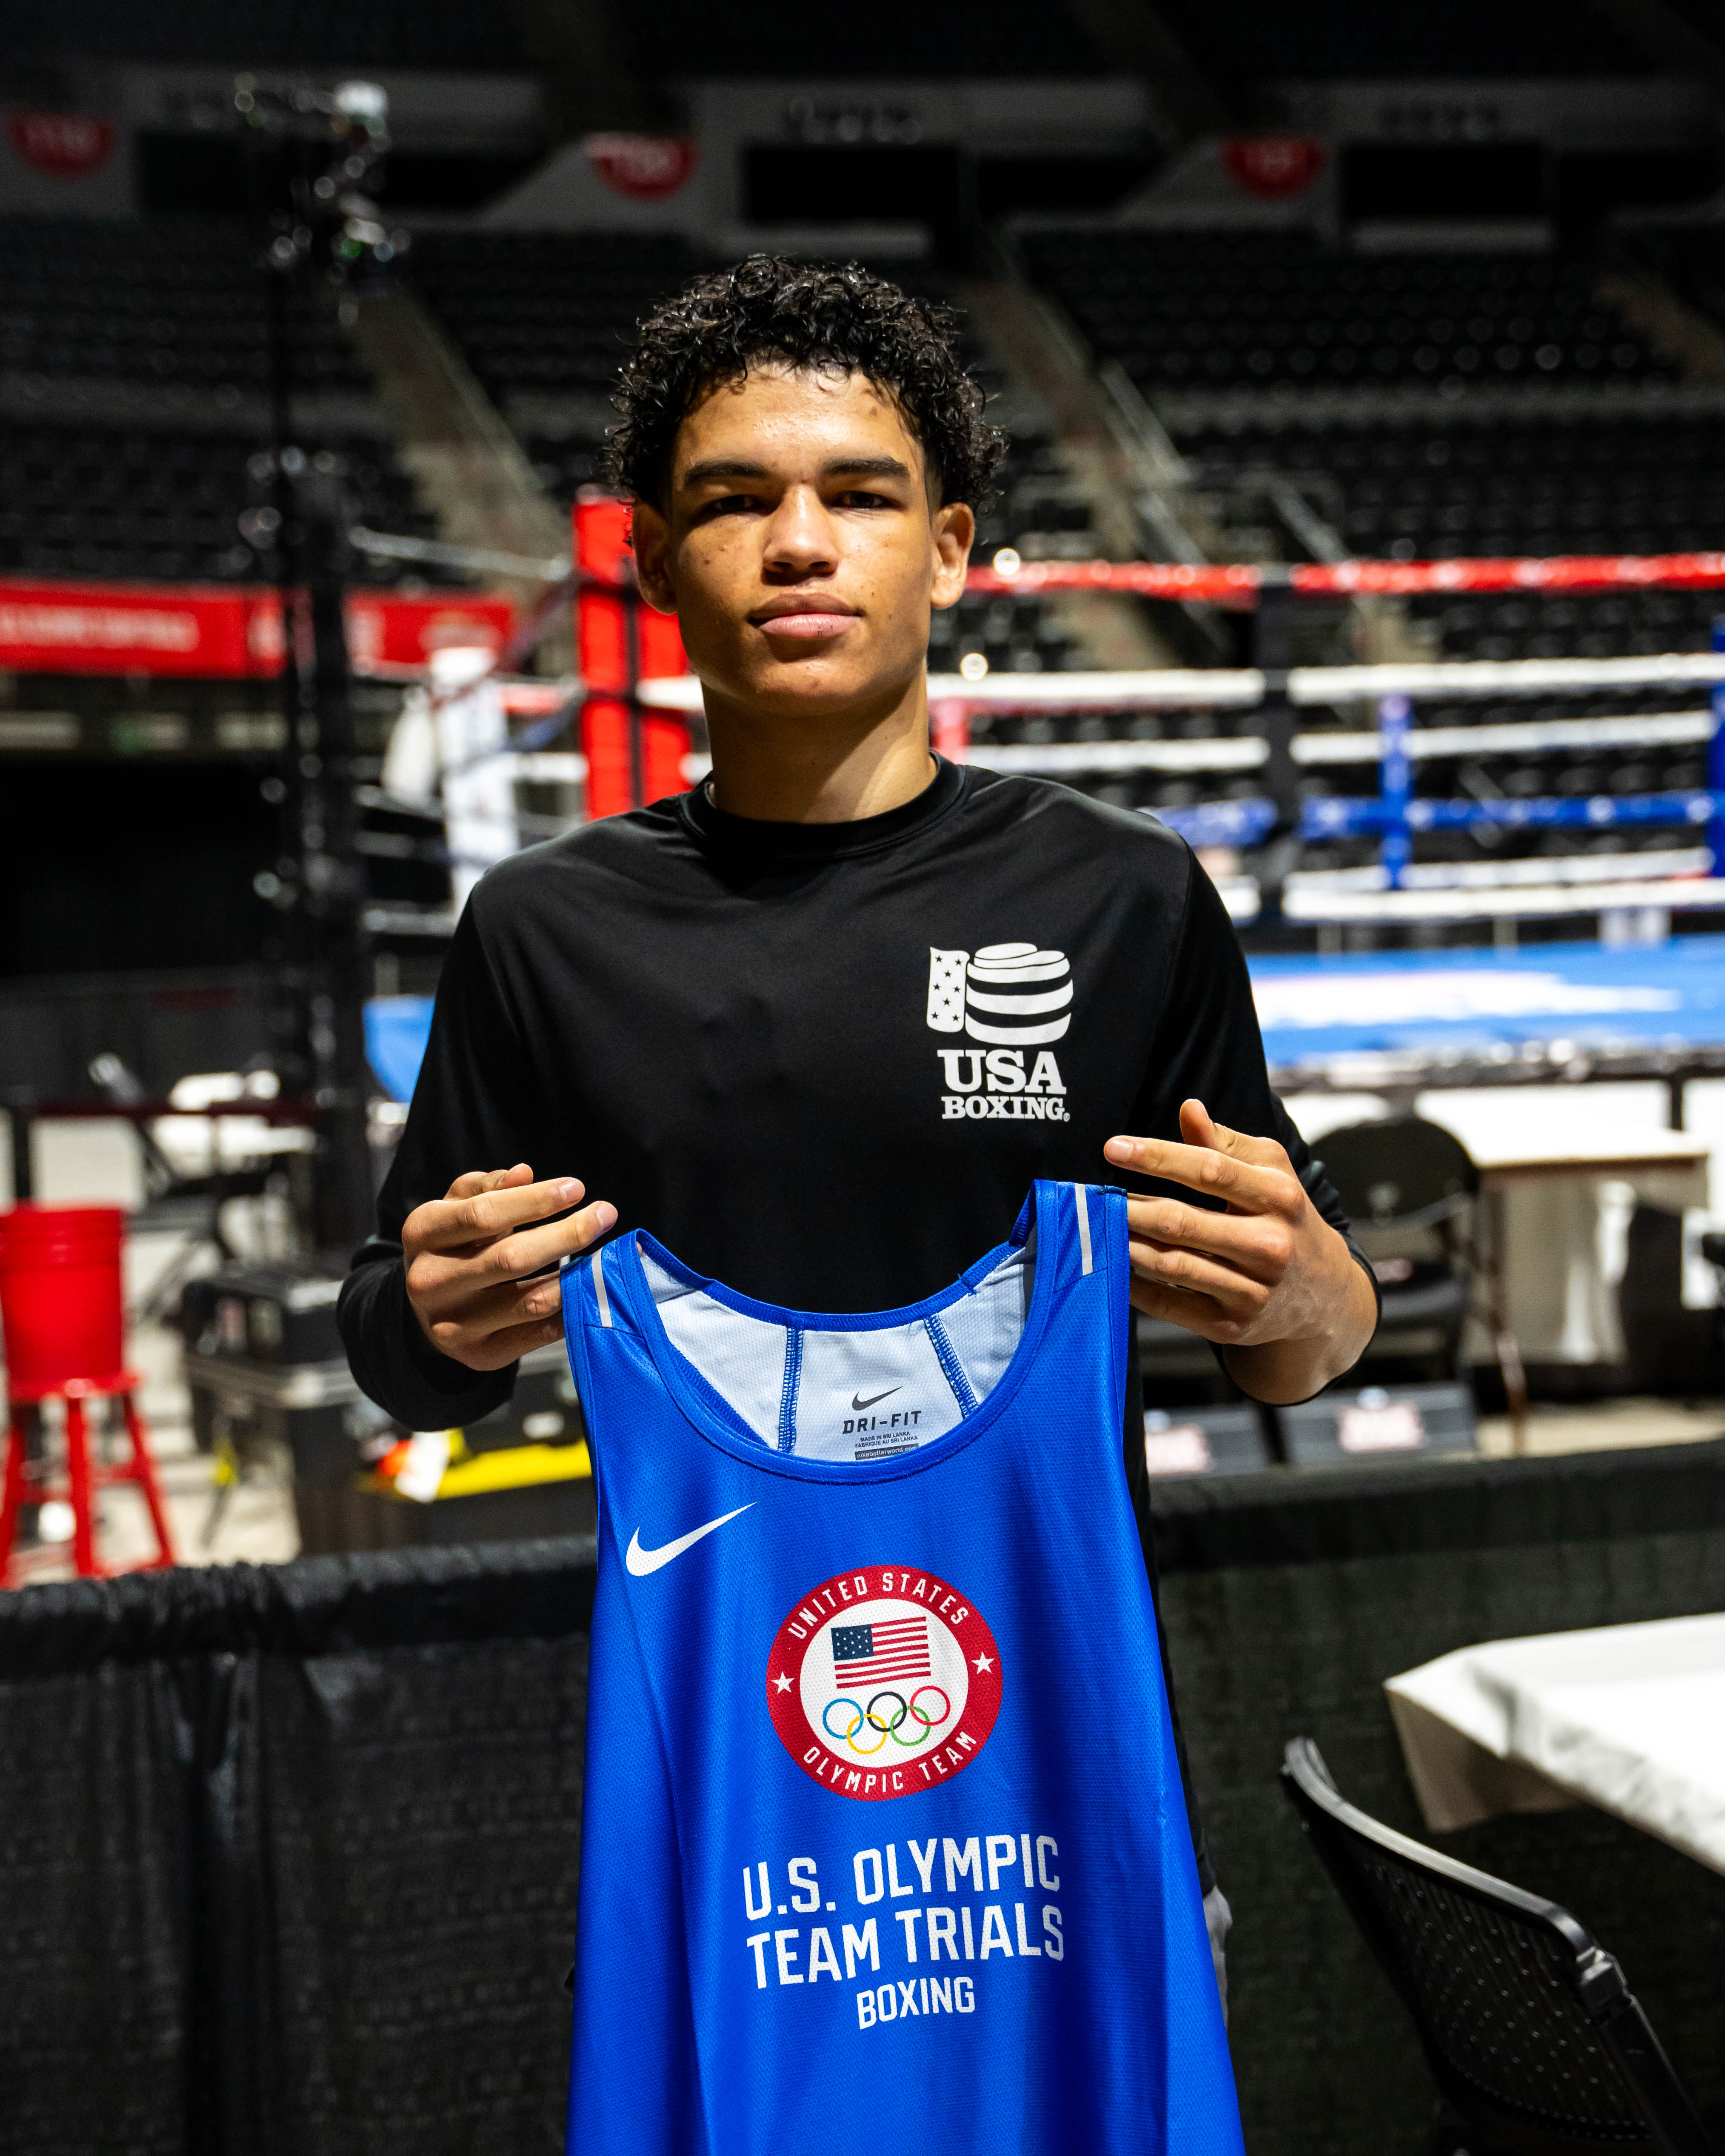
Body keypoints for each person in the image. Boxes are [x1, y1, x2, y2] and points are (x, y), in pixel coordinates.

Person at [338, 254, 1379, 1978]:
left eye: (861, 496)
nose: (800, 544)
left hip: (1057, 1762)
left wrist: (1312, 1287)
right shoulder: (544, 928)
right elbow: (396, 1339)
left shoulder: (1122, 899)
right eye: (734, 502)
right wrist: (439, 1313)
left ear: (952, 548)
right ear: (654, 560)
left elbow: (1308, 1342)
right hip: (726, 1785)